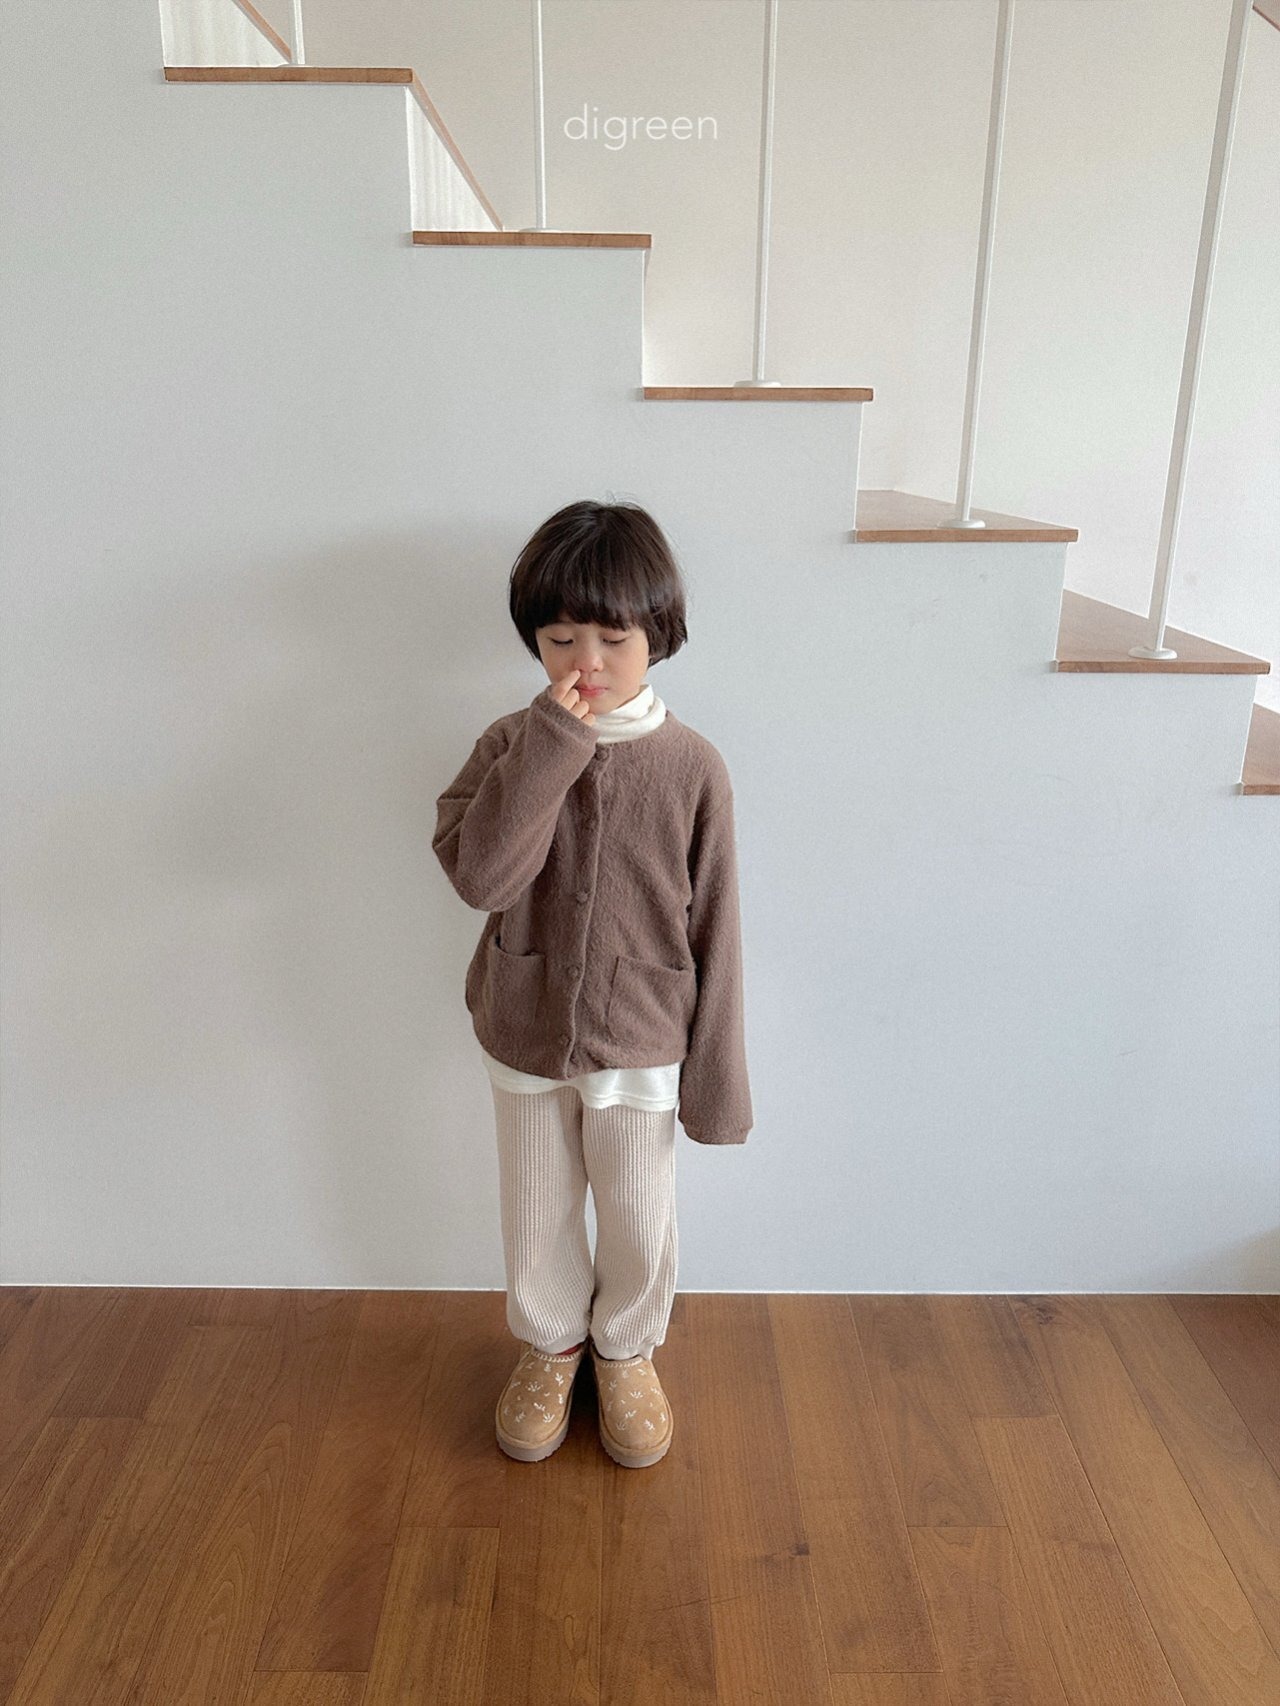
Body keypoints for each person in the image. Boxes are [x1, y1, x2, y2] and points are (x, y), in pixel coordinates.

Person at [433, 498, 752, 1469]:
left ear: (658, 634)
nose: (586, 662)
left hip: (641, 1034)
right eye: (560, 638)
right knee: (535, 1210)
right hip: (524, 1023)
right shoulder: (509, 744)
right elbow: (481, 878)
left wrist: (718, 1082)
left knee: (639, 1216)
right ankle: (551, 1345)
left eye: (613, 639)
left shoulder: (692, 766)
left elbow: (718, 925)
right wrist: (551, 748)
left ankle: (625, 1351)